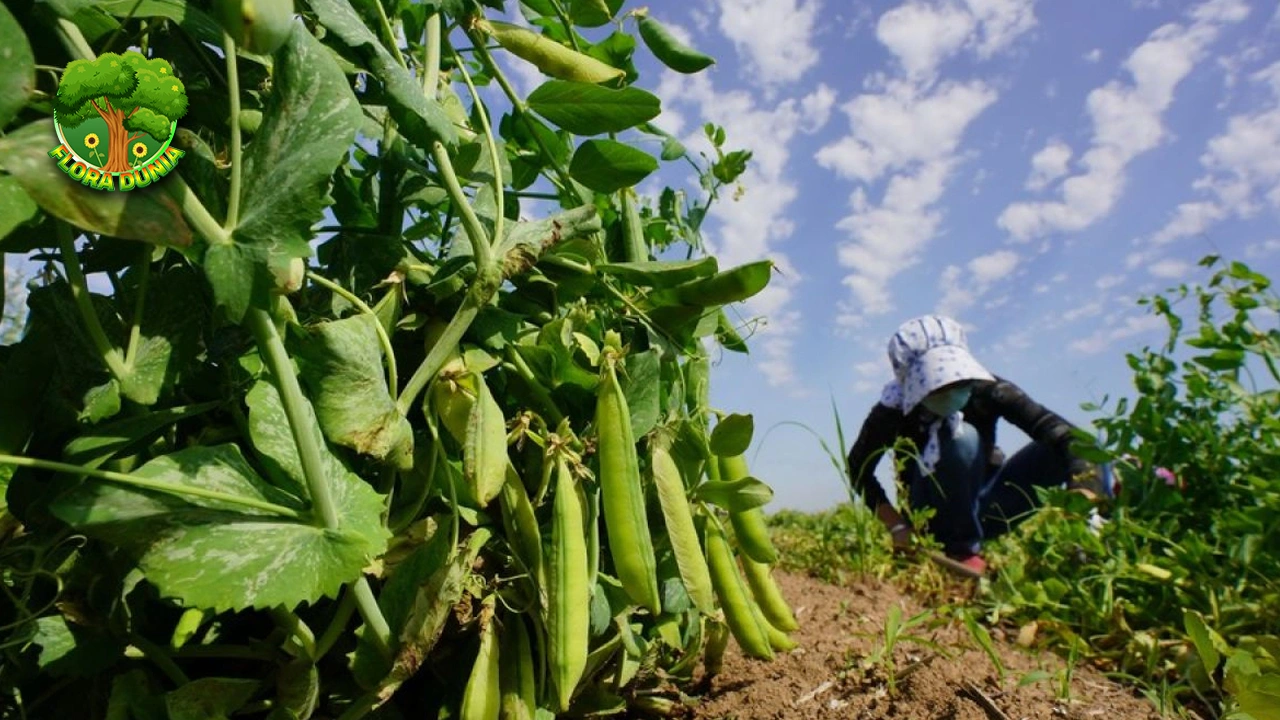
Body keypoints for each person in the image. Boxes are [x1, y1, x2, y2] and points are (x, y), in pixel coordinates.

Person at [845, 315, 1106, 577]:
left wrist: (1082, 493)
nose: (951, 391)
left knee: (1083, 446)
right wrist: (897, 527)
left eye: (957, 382)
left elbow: (1067, 438)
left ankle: (1092, 543)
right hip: (931, 513)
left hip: (986, 507)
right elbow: (858, 468)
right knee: (962, 437)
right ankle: (960, 550)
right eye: (938, 386)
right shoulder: (892, 412)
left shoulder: (990, 391)